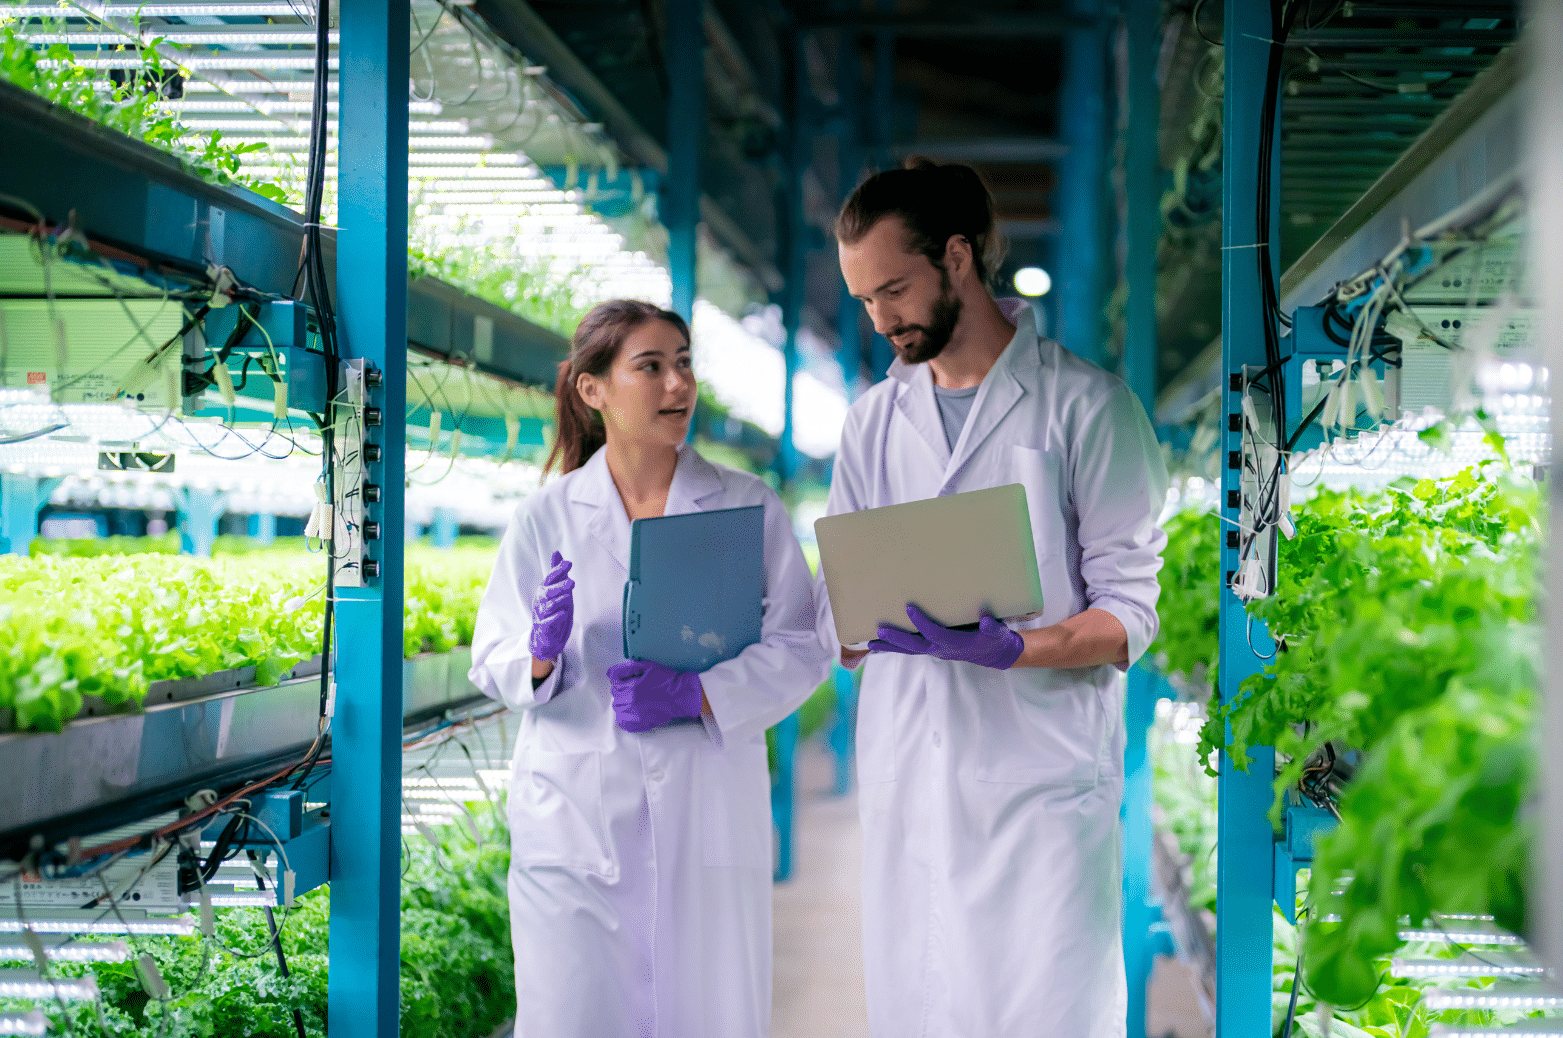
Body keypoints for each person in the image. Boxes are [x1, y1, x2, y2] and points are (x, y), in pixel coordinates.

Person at [818, 160, 1169, 1037]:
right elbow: (841, 607)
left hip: (1036, 783)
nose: (881, 319)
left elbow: (1131, 611)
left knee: (1044, 1010)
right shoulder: (872, 420)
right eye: (864, 300)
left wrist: (1019, 649)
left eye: (893, 289)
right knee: (920, 1005)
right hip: (912, 771)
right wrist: (851, 629)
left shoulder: (1086, 406)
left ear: (959, 258)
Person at [468, 299, 829, 1038]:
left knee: (706, 1013)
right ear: (592, 390)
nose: (678, 385)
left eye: (685, 363)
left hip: (705, 808)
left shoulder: (745, 507)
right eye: (651, 366)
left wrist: (700, 692)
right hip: (574, 821)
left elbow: (803, 642)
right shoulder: (547, 517)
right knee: (574, 1014)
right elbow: (493, 658)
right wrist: (540, 652)